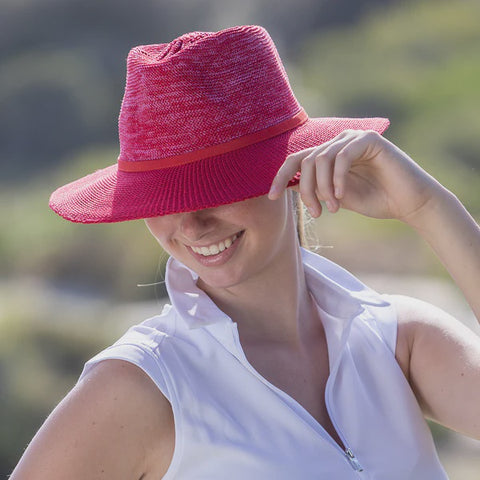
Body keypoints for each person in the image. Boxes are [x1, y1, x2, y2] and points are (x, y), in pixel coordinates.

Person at [10, 25, 480, 480]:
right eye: (164, 199)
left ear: (293, 172)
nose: (191, 224)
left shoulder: (396, 341)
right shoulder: (143, 384)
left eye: (218, 188)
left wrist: (429, 208)